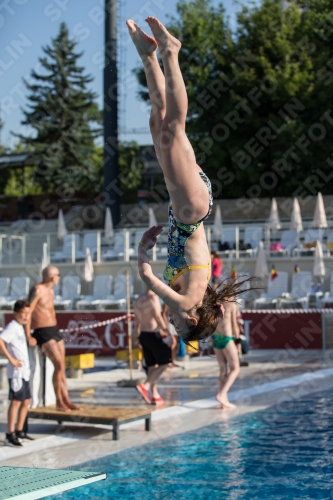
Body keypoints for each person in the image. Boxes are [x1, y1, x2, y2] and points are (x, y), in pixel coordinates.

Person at [127, 17, 248, 342]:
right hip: (189, 212)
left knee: (158, 124)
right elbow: (145, 274)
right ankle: (171, 52)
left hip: (186, 207)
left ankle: (148, 55)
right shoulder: (185, 300)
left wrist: (151, 245)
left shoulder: (188, 291)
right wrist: (142, 248)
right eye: (179, 326)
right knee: (173, 128)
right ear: (192, 319)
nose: (172, 323)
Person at [25, 266, 80, 412]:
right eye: (59, 275)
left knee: (62, 367)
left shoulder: (51, 291)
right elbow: (27, 312)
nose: (59, 278)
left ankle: (67, 399)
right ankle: (59, 401)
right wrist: (28, 335)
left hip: (54, 329)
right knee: (59, 366)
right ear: (52, 277)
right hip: (41, 331)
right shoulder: (37, 289)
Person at [0, 300, 33, 447]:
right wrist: (11, 359)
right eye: (23, 314)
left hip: (24, 371)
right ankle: (10, 434)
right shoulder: (12, 327)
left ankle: (20, 431)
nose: (26, 317)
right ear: (16, 313)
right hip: (16, 372)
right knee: (16, 402)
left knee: (27, 400)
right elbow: (1, 340)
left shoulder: (20, 327)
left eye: (28, 314)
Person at [134, 288, 172, 405]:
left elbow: (136, 321)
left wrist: (136, 337)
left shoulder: (139, 299)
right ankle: (145, 386)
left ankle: (154, 395)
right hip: (154, 334)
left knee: (151, 366)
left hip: (143, 335)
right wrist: (167, 332)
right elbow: (157, 316)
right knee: (165, 363)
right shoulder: (153, 298)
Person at [212, 299, 240, 409]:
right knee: (235, 369)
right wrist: (238, 342)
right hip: (226, 338)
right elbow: (234, 325)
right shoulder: (231, 305)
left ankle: (223, 401)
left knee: (223, 369)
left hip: (215, 338)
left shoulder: (214, 304)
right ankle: (221, 394)